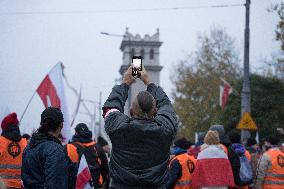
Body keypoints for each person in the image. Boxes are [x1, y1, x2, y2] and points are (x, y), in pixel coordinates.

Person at [102, 66, 178, 188]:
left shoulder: (118, 127)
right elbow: (167, 106)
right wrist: (149, 82)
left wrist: (125, 83)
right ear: (155, 112)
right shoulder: (166, 129)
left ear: (131, 111)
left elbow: (110, 108)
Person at [21, 107, 68, 189]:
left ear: (41, 123)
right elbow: (56, 185)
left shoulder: (28, 148)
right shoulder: (55, 149)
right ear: (61, 125)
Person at [65, 123, 104, 189]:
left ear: (75, 133)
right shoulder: (98, 148)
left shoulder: (68, 148)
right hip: (96, 185)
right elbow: (105, 171)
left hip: (75, 185)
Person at [0, 113, 27, 189]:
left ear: (4, 127)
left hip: (3, 186)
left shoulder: (0, 142)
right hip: (20, 186)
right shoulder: (25, 143)